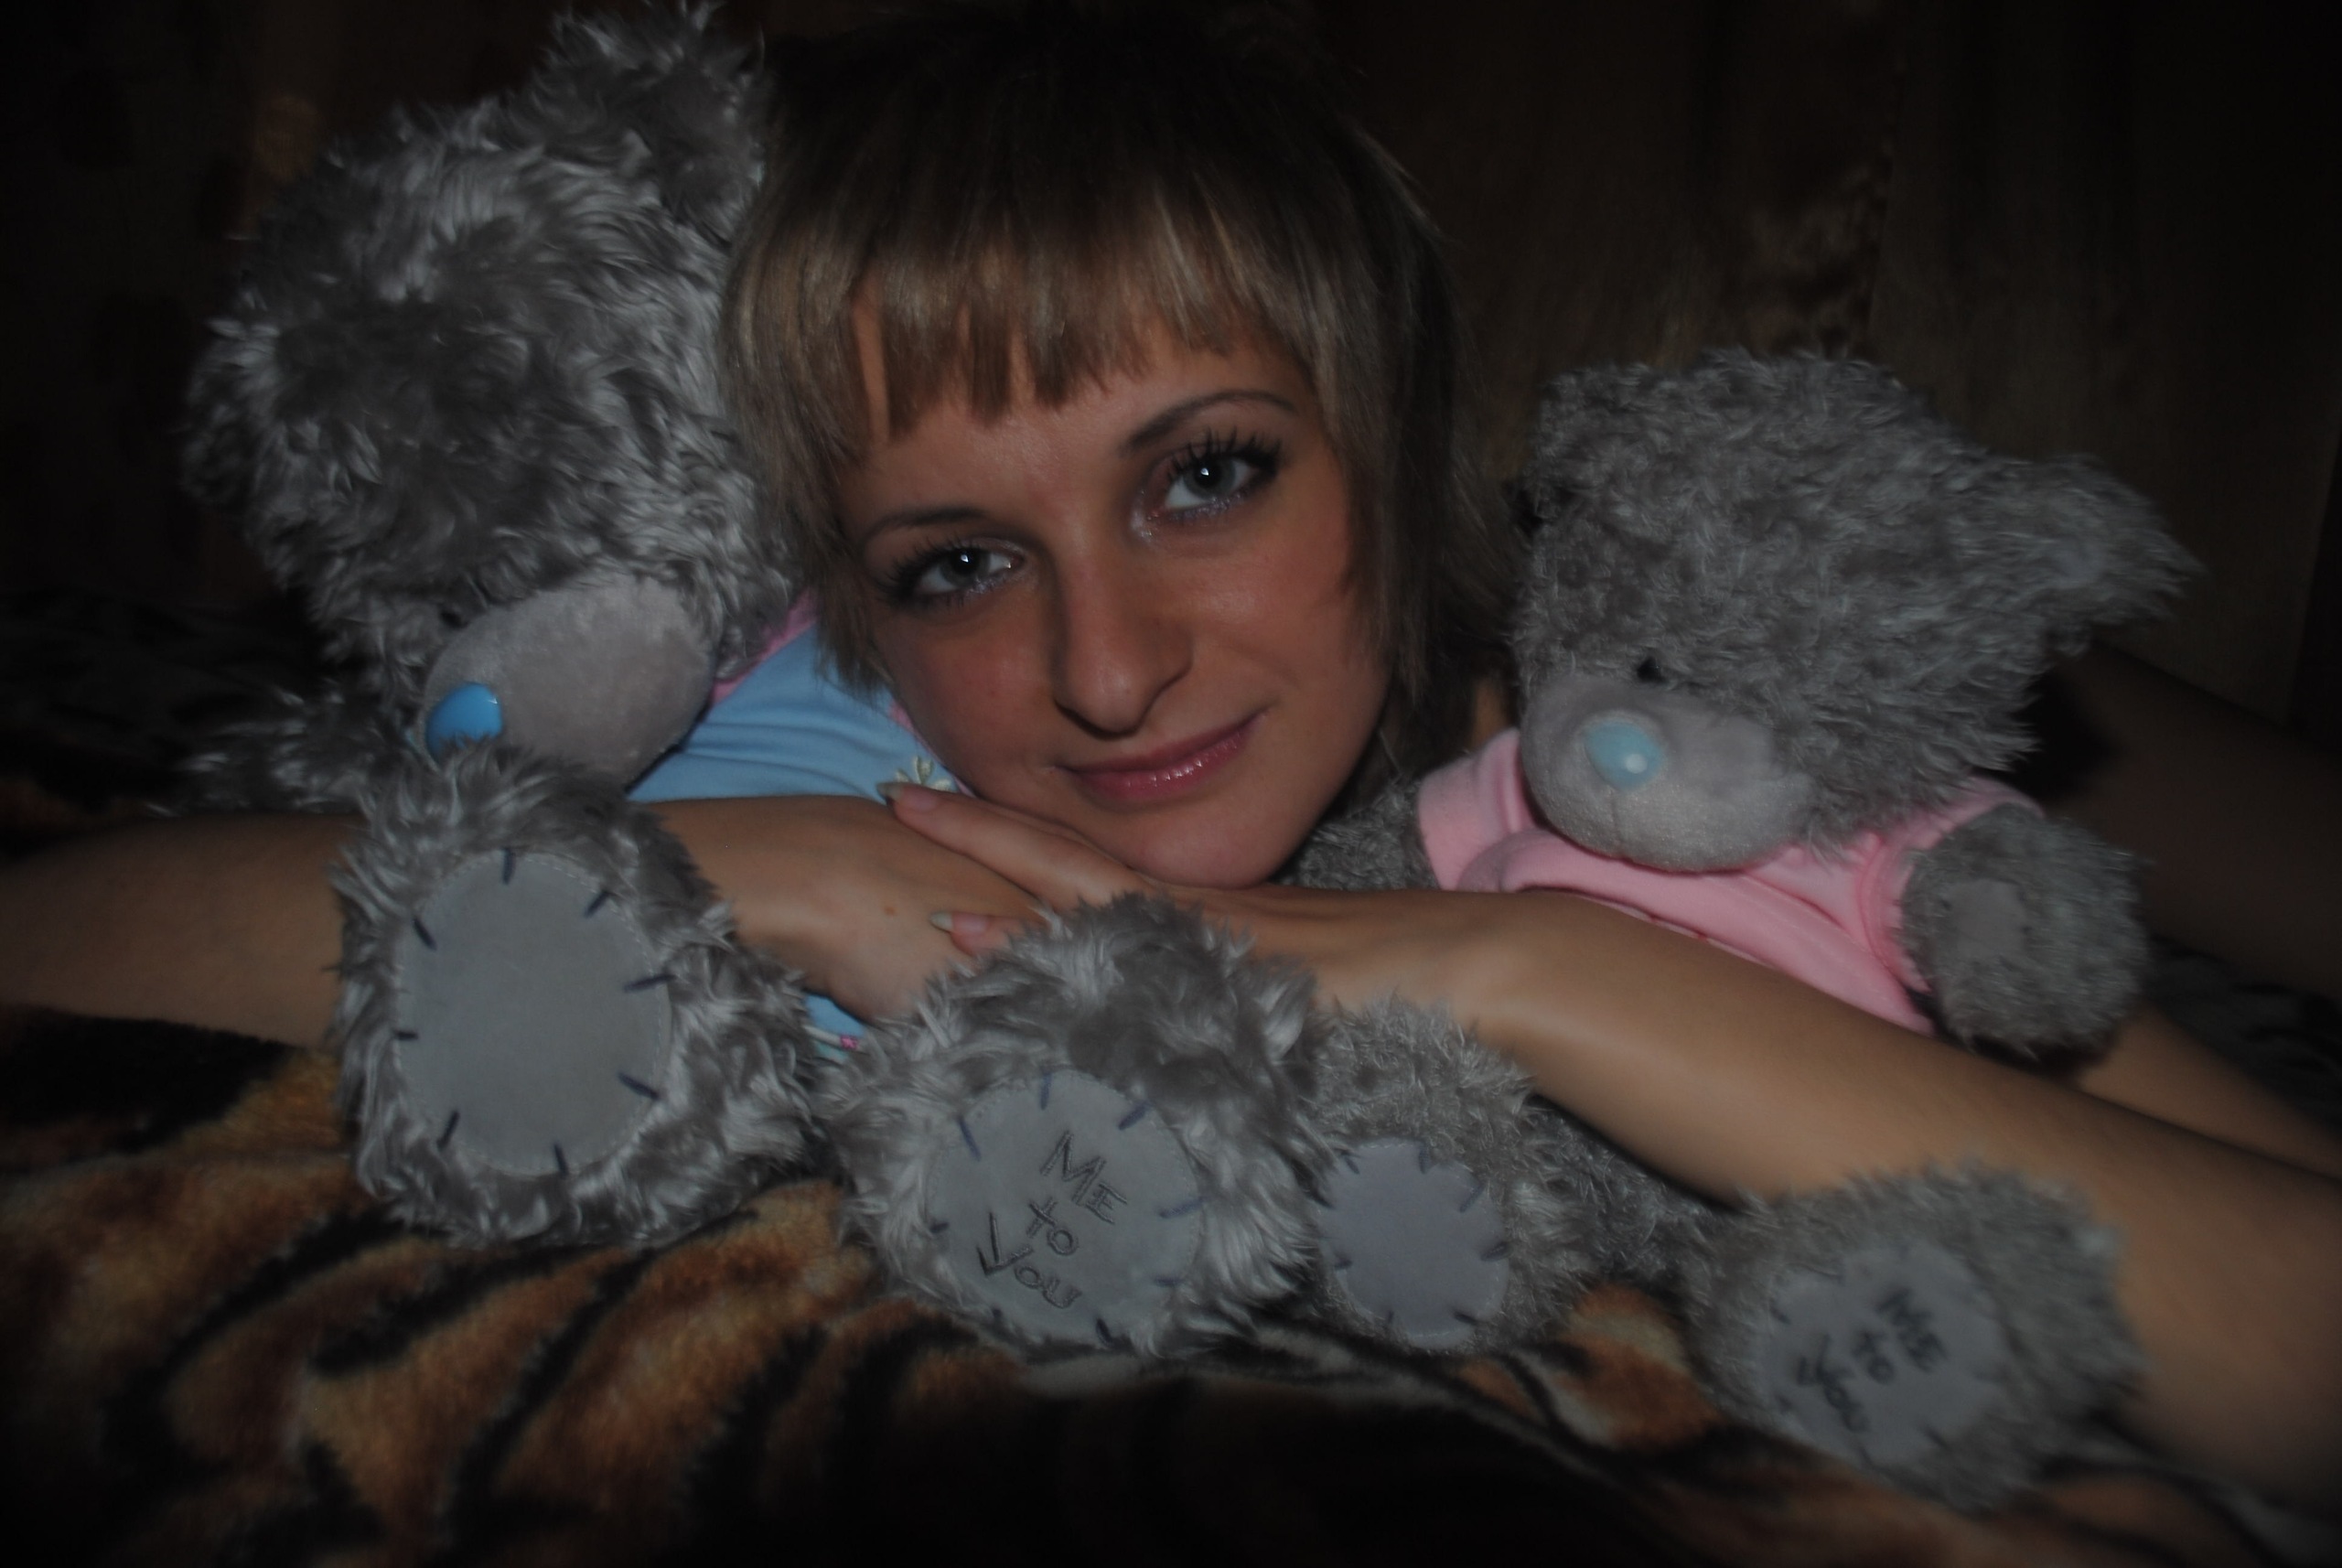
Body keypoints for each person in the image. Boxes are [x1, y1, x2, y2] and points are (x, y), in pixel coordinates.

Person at [2, 0, 2337, 1513]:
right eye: (954, 561)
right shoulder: (820, 752)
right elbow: (56, 925)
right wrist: (783, 865)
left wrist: (1536, 972)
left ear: (1385, 438)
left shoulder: (1682, 753)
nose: (1106, 671)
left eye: (1205, 473)